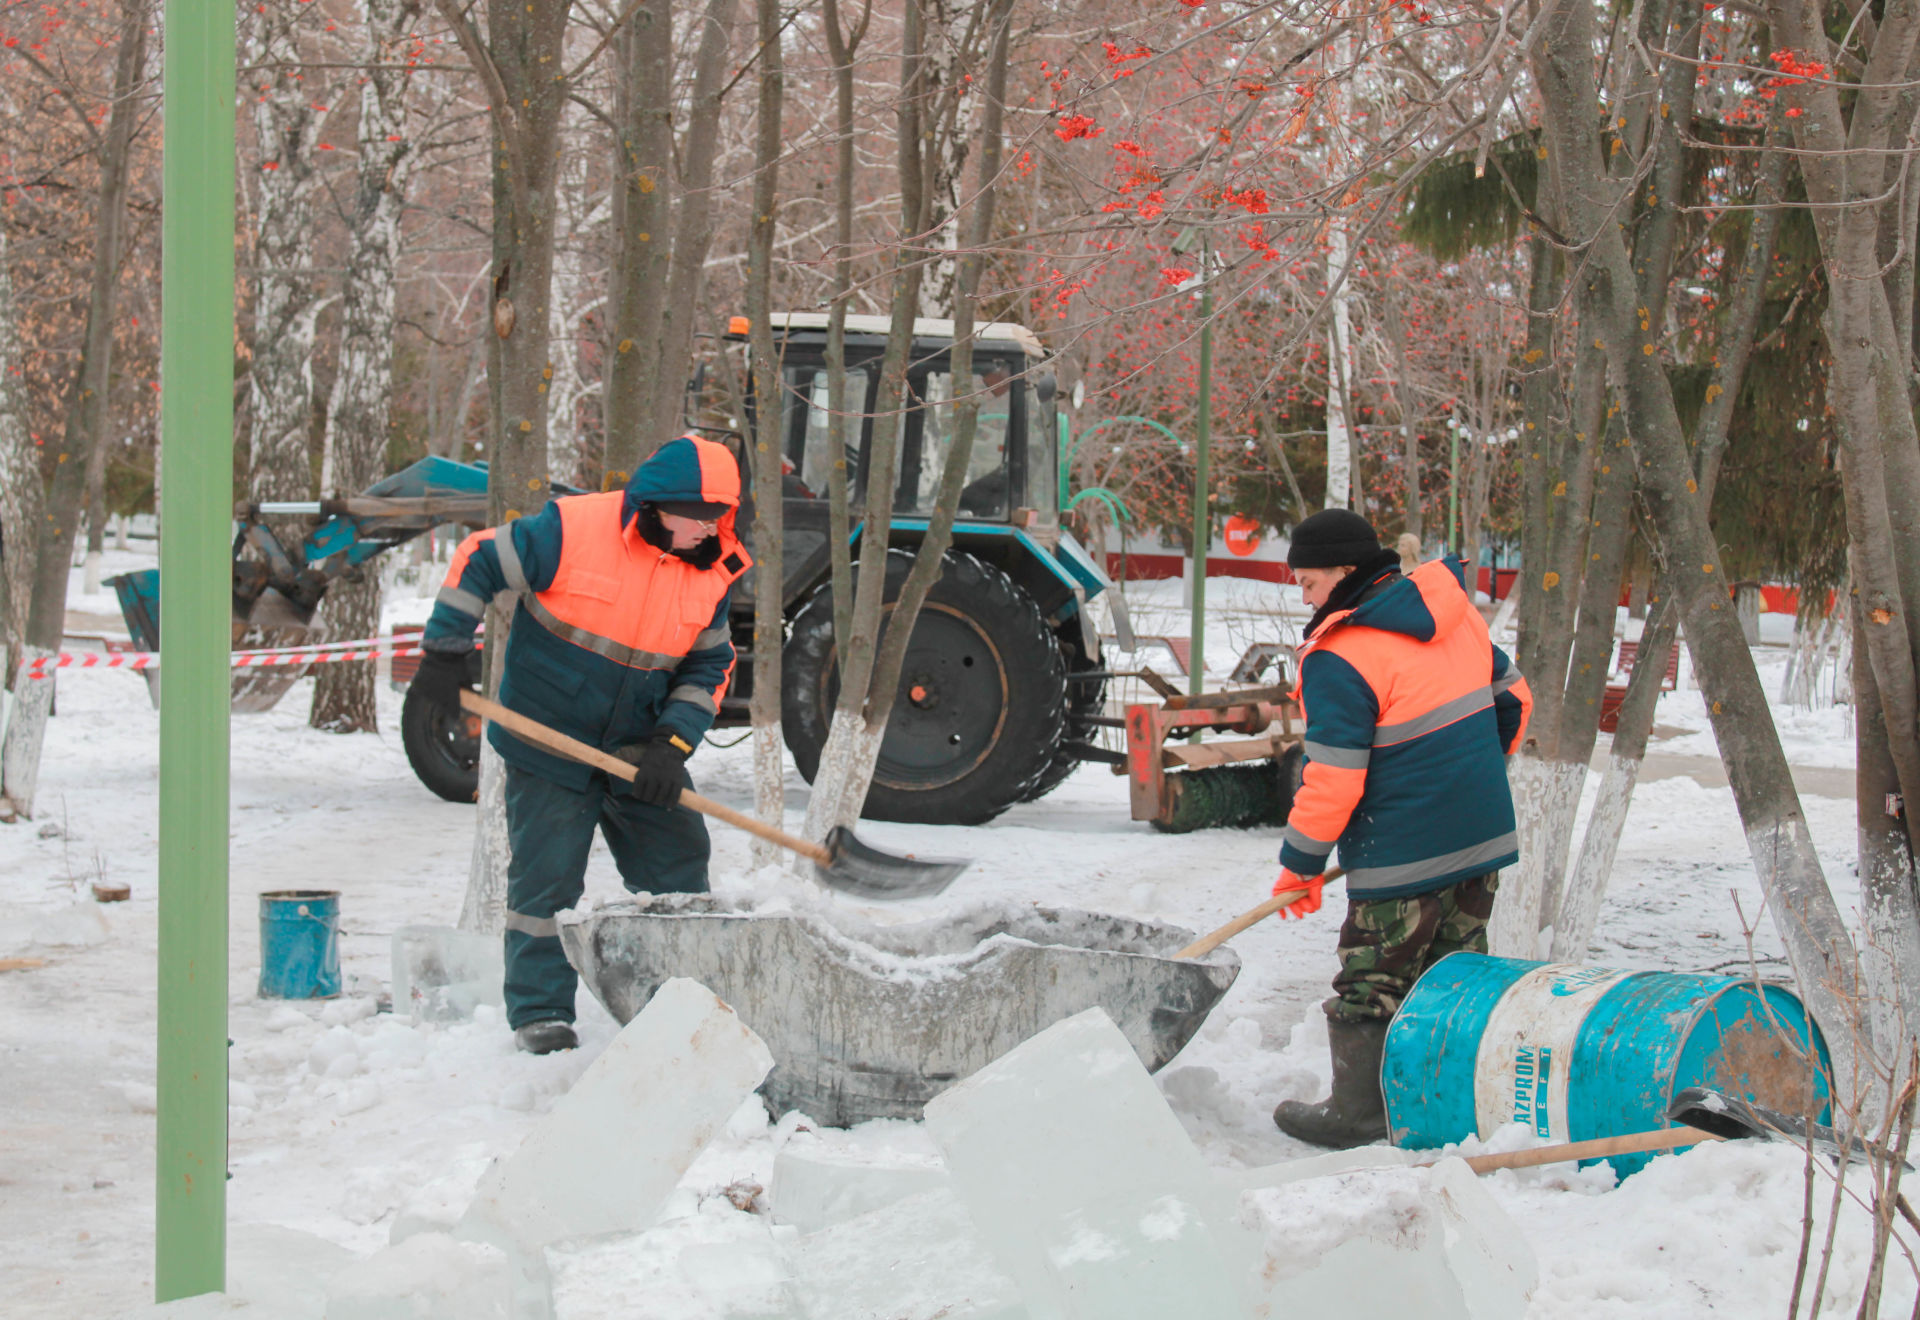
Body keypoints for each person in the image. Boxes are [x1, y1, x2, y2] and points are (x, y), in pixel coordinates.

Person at [412, 434, 750, 1055]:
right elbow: (479, 559)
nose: (710, 532)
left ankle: (676, 998)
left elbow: (709, 668)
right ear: (654, 505)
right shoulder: (573, 530)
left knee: (679, 869)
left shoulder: (714, 569)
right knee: (547, 882)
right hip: (549, 741)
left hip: (639, 749)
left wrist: (671, 746)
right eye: (697, 519)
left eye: (719, 518)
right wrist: (445, 650)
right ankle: (540, 1012)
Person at [1271, 509, 1532, 1147]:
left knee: (1372, 978)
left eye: (1307, 582)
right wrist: (1465, 777)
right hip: (1481, 836)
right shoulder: (1454, 613)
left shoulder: (1339, 656)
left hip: (1402, 850)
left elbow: (1333, 776)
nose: (1303, 597)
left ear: (1344, 571)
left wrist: (1301, 864)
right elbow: (1515, 699)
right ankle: (1448, 1106)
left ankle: (1357, 1115)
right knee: (1455, 973)